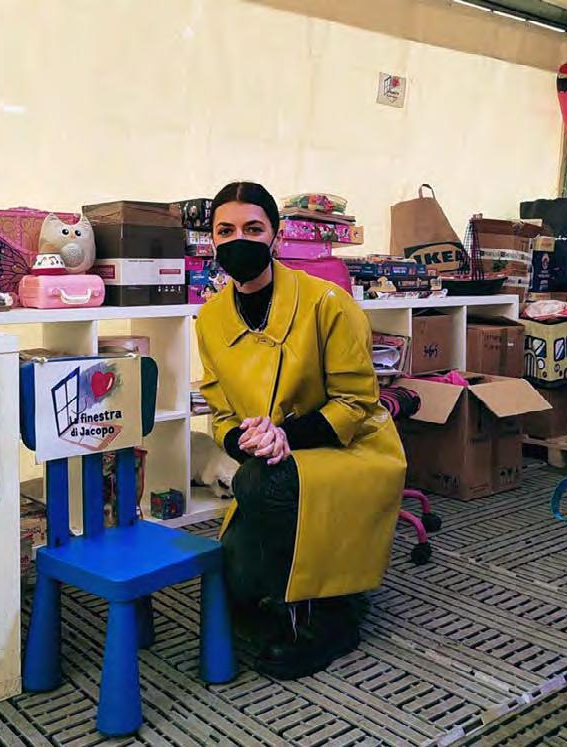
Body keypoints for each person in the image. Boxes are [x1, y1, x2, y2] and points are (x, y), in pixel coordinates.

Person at [195, 181, 407, 680]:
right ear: (212, 240)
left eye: (253, 229)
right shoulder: (210, 317)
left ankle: (332, 617)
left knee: (261, 482)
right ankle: (289, 591)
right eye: (225, 230)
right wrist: (243, 439)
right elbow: (220, 411)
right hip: (270, 453)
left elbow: (356, 403)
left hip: (347, 446)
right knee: (235, 599)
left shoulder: (326, 302)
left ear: (276, 235)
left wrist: (286, 436)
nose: (238, 240)